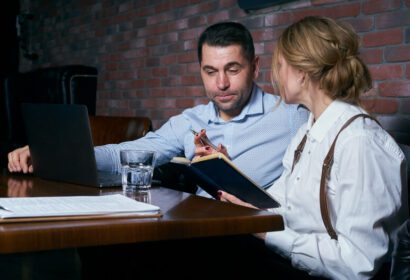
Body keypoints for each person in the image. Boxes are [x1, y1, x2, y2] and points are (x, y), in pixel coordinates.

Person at [7, 21, 307, 193]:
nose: (222, 84)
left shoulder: (292, 116)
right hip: (200, 233)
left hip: (257, 241)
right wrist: (51, 154)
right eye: (211, 71)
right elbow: (127, 153)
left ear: (254, 68)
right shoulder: (189, 121)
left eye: (233, 69)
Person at [217, 16, 409, 279]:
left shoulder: (359, 142)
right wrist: (235, 191)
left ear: (302, 72)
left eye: (281, 65)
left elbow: (359, 263)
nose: (275, 75)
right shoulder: (307, 132)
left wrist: (267, 233)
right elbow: (281, 205)